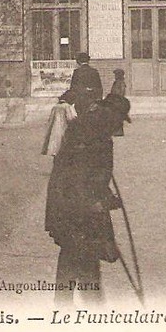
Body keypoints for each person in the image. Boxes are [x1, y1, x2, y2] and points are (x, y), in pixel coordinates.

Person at [45, 93, 131, 304]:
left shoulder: (86, 128)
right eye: (119, 120)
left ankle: (66, 305)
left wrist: (106, 196)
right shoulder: (96, 137)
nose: (119, 126)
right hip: (79, 208)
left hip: (67, 205)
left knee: (72, 254)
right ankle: (91, 309)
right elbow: (80, 176)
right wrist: (96, 202)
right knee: (84, 254)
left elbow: (89, 175)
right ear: (111, 115)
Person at [107, 69, 131, 137]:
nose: (115, 76)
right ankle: (116, 131)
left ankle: (118, 131)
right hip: (115, 100)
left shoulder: (120, 83)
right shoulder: (117, 82)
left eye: (116, 75)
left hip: (118, 101)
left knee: (118, 116)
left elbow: (120, 92)